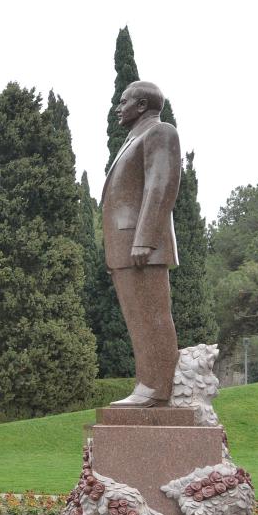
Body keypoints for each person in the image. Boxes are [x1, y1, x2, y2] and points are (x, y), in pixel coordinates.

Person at [102, 80, 182, 408]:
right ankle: (147, 384)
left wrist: (145, 239)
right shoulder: (133, 137)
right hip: (125, 244)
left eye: (123, 102)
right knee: (137, 319)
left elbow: (161, 185)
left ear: (142, 105)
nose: (117, 108)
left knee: (153, 316)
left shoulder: (160, 132)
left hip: (141, 245)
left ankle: (157, 387)